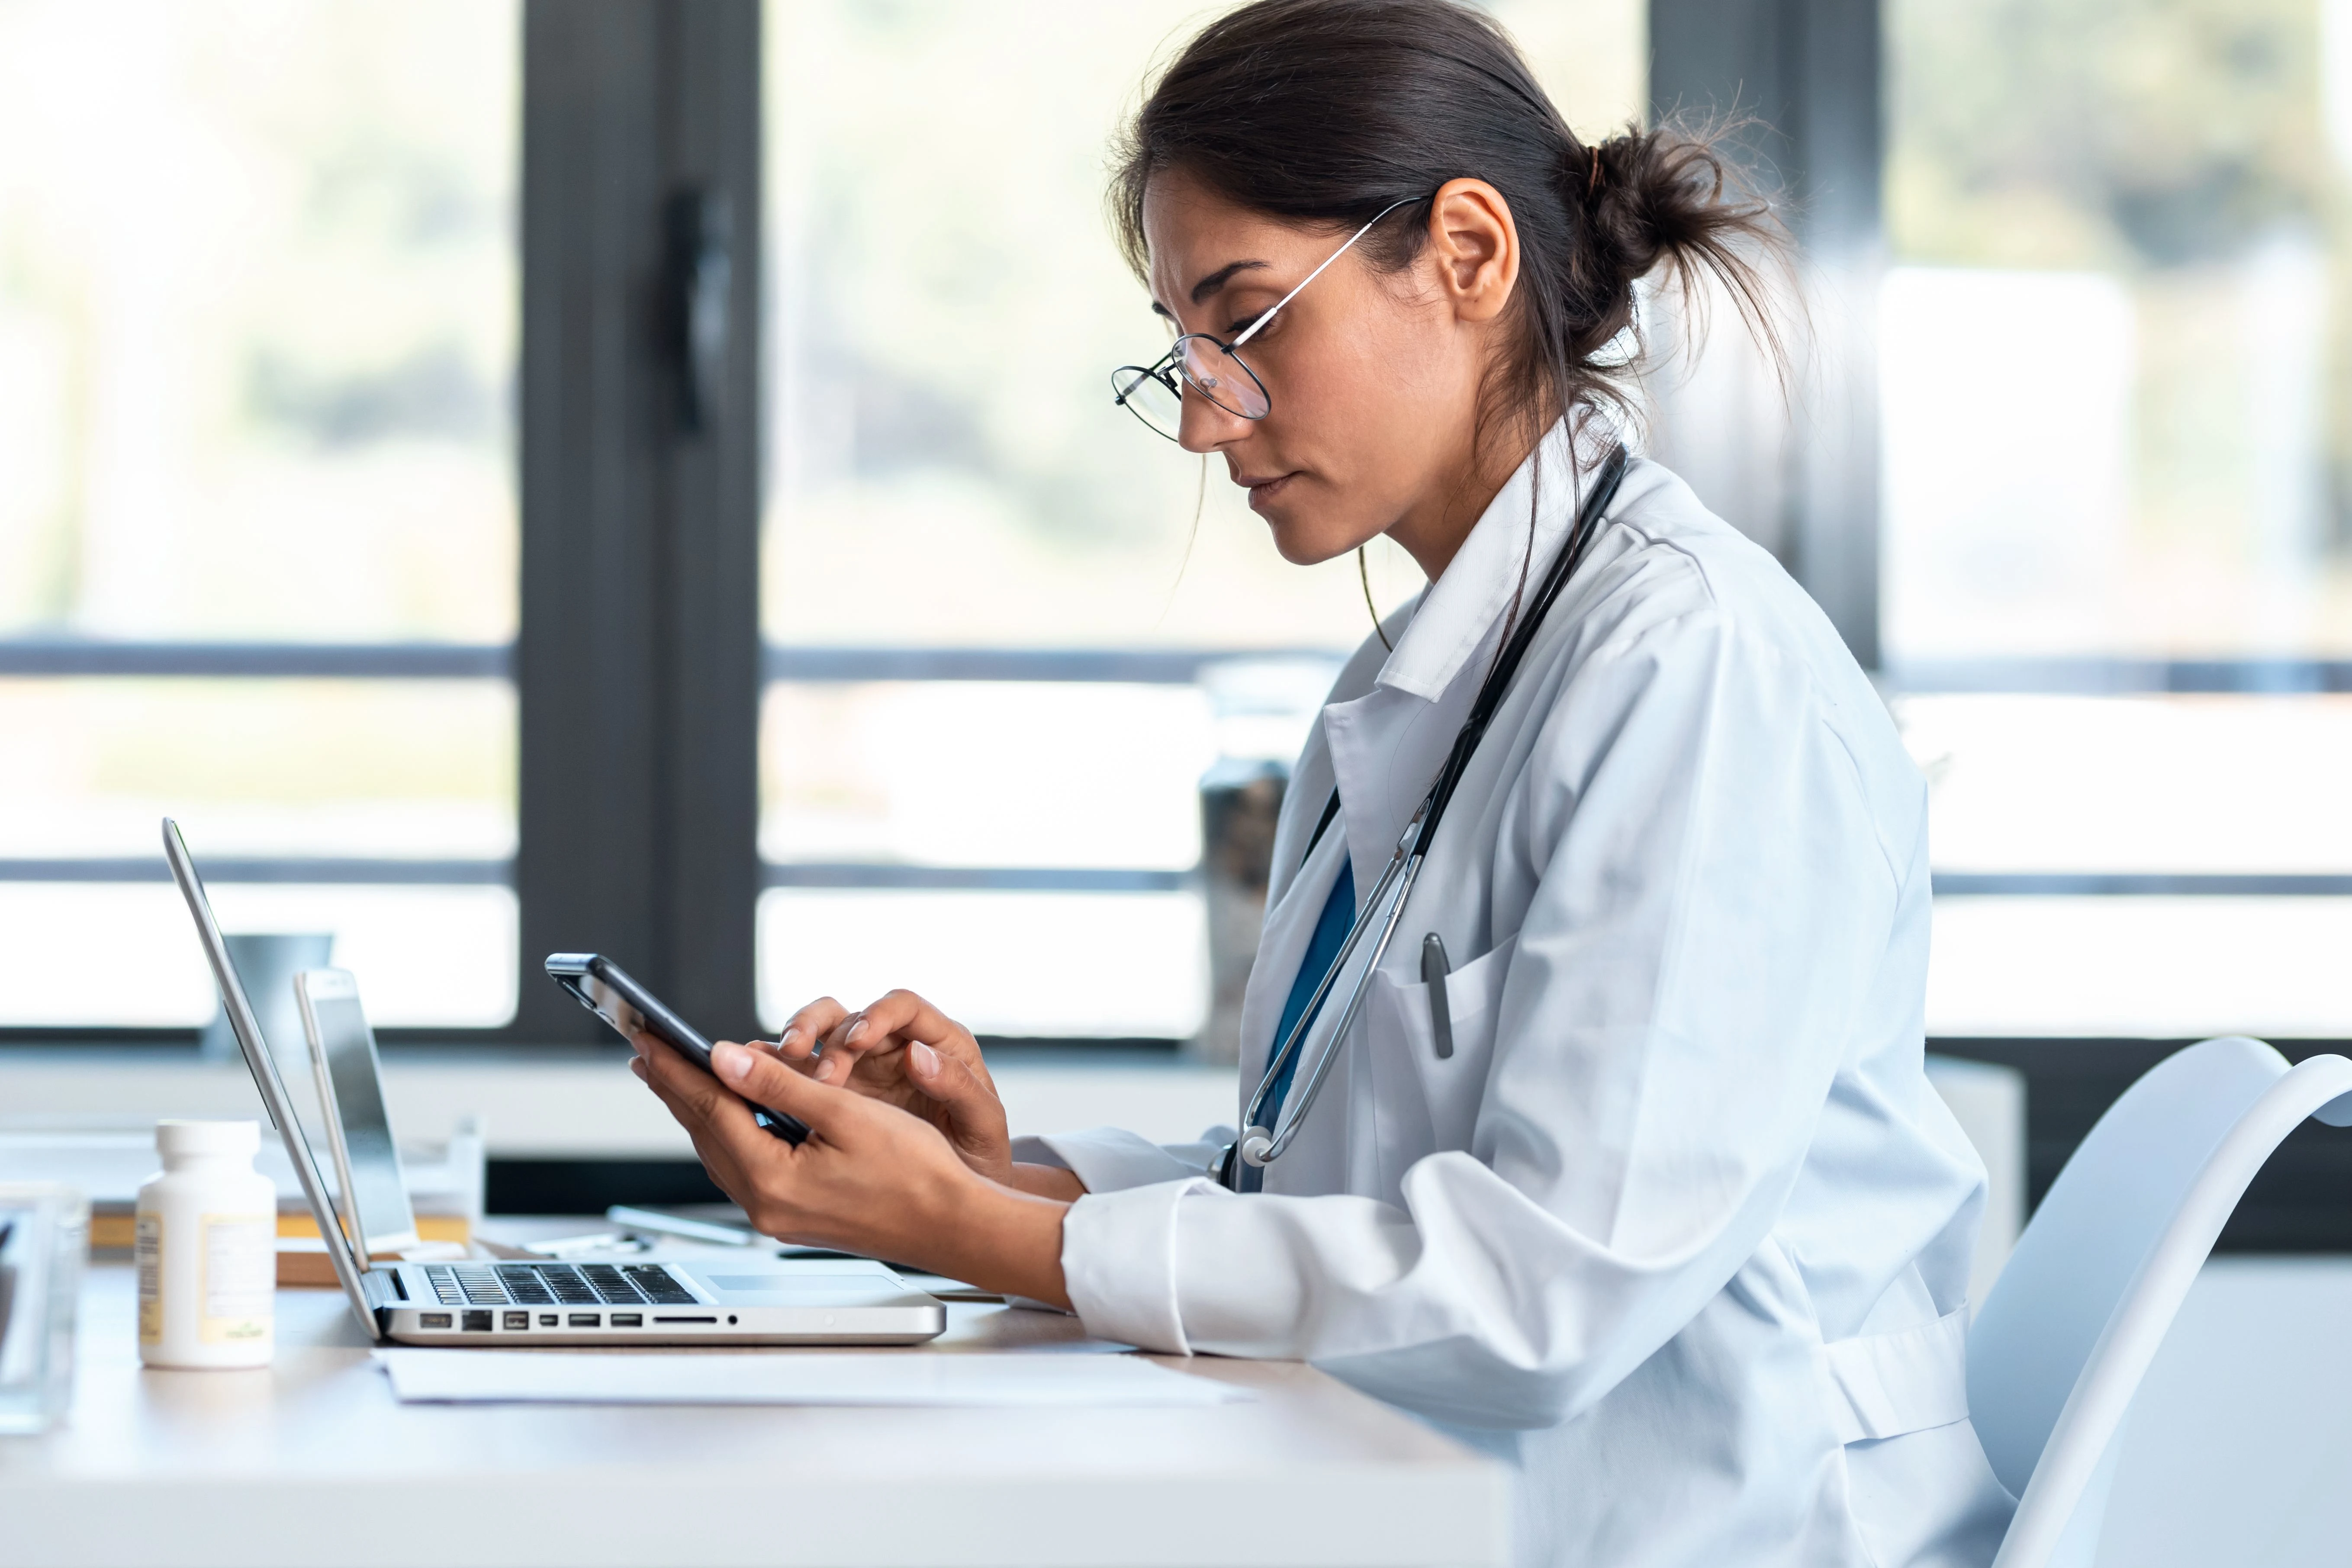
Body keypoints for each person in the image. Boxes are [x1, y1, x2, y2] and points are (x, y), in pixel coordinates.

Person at [627, 2, 2017, 1562]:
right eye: (1183, 354)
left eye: (1249, 322)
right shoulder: (1410, 684)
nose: (1207, 419)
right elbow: (1323, 1182)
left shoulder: (1695, 675)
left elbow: (1540, 1293)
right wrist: (998, 1170)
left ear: (1468, 256)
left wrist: (1002, 1241)